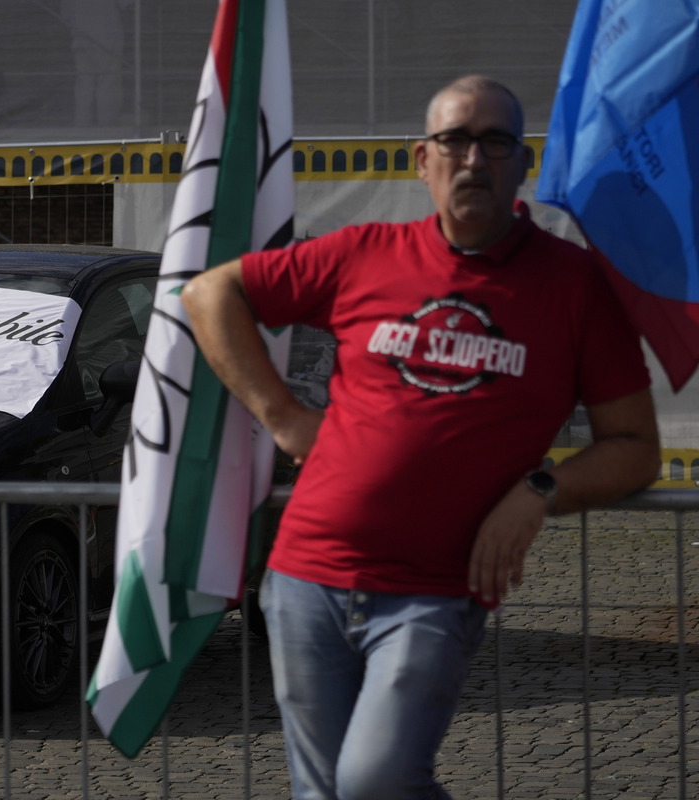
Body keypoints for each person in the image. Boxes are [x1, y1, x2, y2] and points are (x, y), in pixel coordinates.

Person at [180, 75, 660, 800]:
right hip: (305, 575)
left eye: (494, 141)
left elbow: (635, 446)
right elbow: (208, 293)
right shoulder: (362, 253)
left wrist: (540, 491)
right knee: (324, 793)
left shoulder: (576, 286)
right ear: (421, 159)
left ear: (522, 162)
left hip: (436, 590)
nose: (474, 159)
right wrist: (280, 415)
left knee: (376, 782)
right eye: (455, 140)